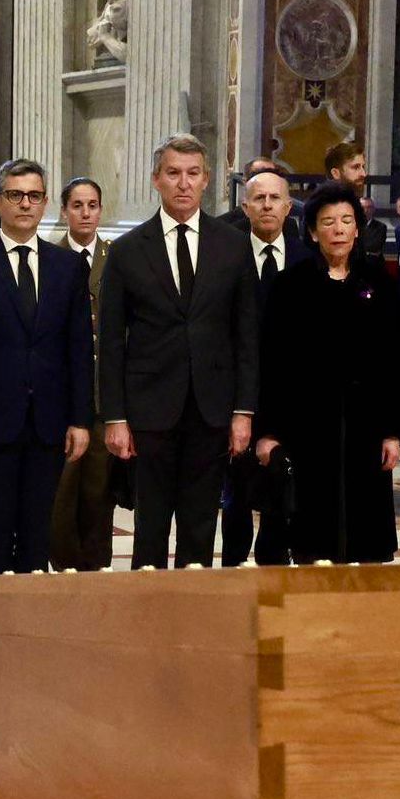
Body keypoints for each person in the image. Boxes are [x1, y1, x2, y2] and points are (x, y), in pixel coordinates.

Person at [100, 133, 259, 570]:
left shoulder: (232, 244)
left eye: (192, 174)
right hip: (149, 409)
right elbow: (113, 342)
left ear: (206, 180)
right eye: (173, 174)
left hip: (212, 408)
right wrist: (115, 417)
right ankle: (147, 624)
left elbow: (246, 335)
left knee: (201, 524)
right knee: (149, 527)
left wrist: (243, 411)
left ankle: (194, 622)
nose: (183, 184)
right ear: (157, 180)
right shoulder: (129, 250)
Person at [0, 159, 94, 574]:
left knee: (37, 533)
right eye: (15, 195)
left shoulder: (67, 268)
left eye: (33, 196)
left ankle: (28, 626)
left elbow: (79, 348)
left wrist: (80, 419)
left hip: (48, 422)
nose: (24, 204)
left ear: (46, 202)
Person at [255, 181, 400, 564]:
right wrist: (268, 432)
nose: (338, 230)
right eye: (328, 222)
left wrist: (393, 431)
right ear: (311, 231)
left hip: (366, 428)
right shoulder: (291, 285)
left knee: (365, 539)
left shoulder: (379, 282)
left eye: (346, 220)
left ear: (358, 227)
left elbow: (391, 363)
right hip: (305, 428)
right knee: (310, 535)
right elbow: (271, 363)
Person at [223, 168, 310, 566]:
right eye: (259, 199)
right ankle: (233, 561)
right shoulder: (225, 257)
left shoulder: (308, 259)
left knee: (282, 483)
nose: (267, 205)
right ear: (245, 207)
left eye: (275, 198)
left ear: (289, 207)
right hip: (236, 391)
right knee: (235, 489)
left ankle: (272, 560)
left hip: (290, 394)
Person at [49, 176, 118, 571]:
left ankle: (95, 569)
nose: (86, 213)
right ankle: (62, 566)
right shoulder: (52, 257)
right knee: (62, 491)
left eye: (92, 205)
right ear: (64, 211)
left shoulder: (116, 258)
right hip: (63, 395)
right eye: (77, 205)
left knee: (98, 490)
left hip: (103, 394)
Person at [323, 140, 387, 261]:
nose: (363, 173)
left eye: (363, 167)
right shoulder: (322, 208)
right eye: (356, 167)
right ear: (336, 173)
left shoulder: (354, 206)